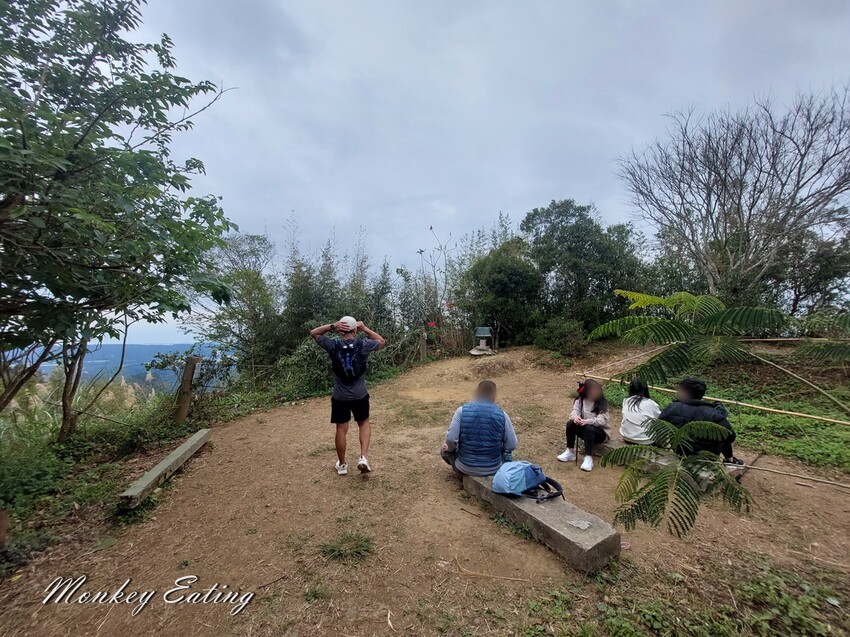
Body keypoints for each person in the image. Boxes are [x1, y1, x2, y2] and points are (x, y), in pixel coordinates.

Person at [311, 316, 385, 475]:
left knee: (341, 428)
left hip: (340, 396)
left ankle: (343, 465)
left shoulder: (333, 345)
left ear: (340, 330)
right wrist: (365, 328)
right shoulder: (364, 344)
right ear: (355, 329)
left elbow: (314, 333)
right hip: (360, 394)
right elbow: (381, 341)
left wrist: (332, 326)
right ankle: (363, 457)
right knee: (363, 423)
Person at [441, 380, 518, 477]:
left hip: (465, 467)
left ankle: (462, 473)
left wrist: (450, 449)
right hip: (493, 468)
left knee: (443, 450)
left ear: (477, 392)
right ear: (494, 395)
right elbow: (512, 445)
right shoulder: (502, 415)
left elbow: (451, 439)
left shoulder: (461, 411)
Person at [659, 377, 743, 465]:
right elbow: (731, 436)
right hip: (706, 456)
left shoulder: (672, 408)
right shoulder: (713, 414)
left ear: (685, 392)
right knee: (722, 433)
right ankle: (729, 459)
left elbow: (658, 427)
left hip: (680, 451)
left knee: (721, 432)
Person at [557, 379, 610, 471]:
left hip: (600, 433)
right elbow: (574, 412)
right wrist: (576, 418)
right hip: (585, 429)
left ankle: (588, 457)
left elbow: (601, 420)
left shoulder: (603, 403)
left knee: (588, 428)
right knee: (570, 423)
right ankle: (570, 451)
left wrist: (586, 421)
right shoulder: (580, 400)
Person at [619, 378, 661, 445]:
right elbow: (659, 418)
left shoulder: (626, 400)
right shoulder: (652, 404)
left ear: (631, 388)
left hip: (627, 437)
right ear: (645, 388)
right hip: (646, 440)